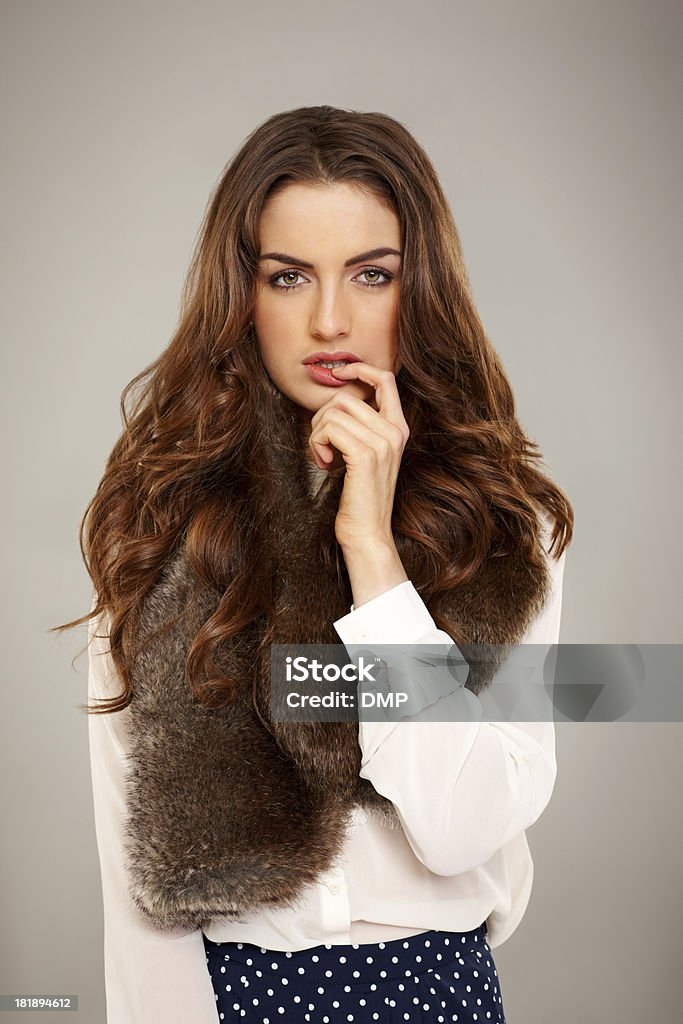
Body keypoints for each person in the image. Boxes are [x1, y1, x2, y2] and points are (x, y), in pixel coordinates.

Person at [71, 105, 573, 1022]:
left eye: (370, 274)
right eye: (290, 276)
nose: (330, 320)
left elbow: (460, 827)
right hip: (239, 997)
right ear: (243, 293)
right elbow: (134, 876)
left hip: (436, 995)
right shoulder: (163, 522)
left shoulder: (503, 528)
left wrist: (371, 553)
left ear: (416, 290)